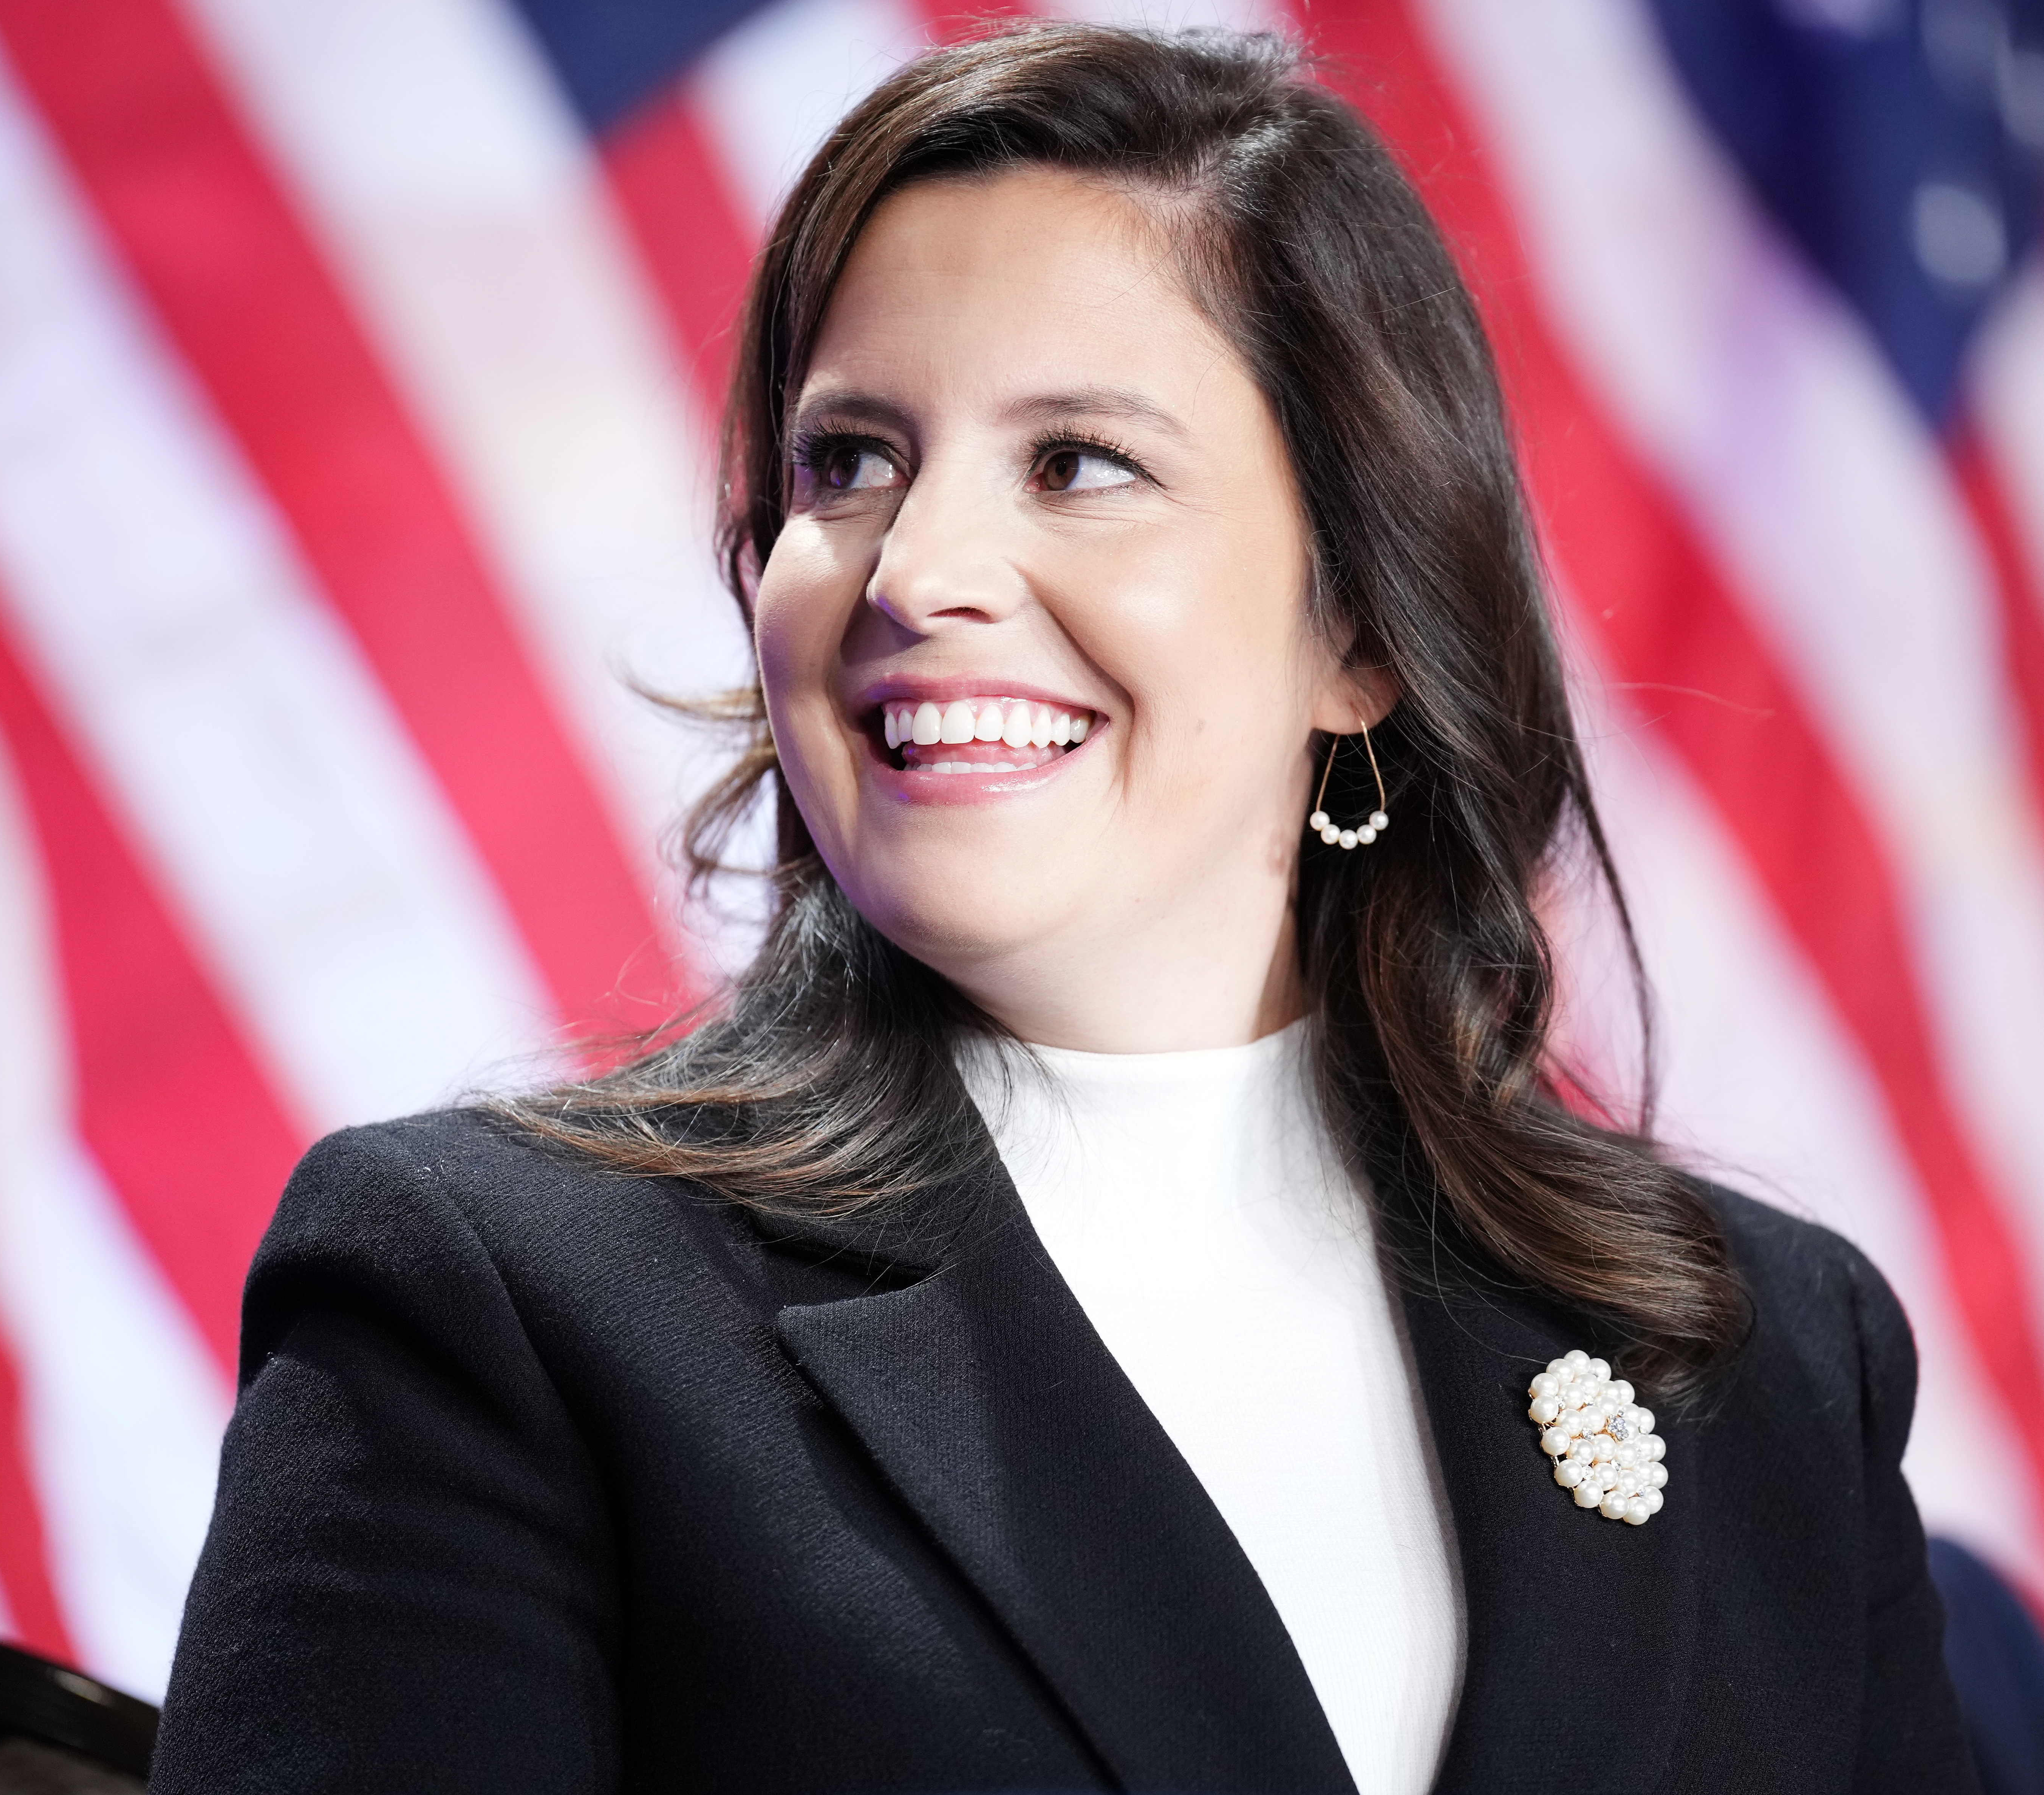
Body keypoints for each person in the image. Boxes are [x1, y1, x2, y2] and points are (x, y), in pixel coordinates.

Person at [150, 25, 1978, 1794]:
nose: (918, 569)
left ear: (1354, 630)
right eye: (847, 460)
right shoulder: (499, 1298)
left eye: (1074, 464)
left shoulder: (1766, 1349)